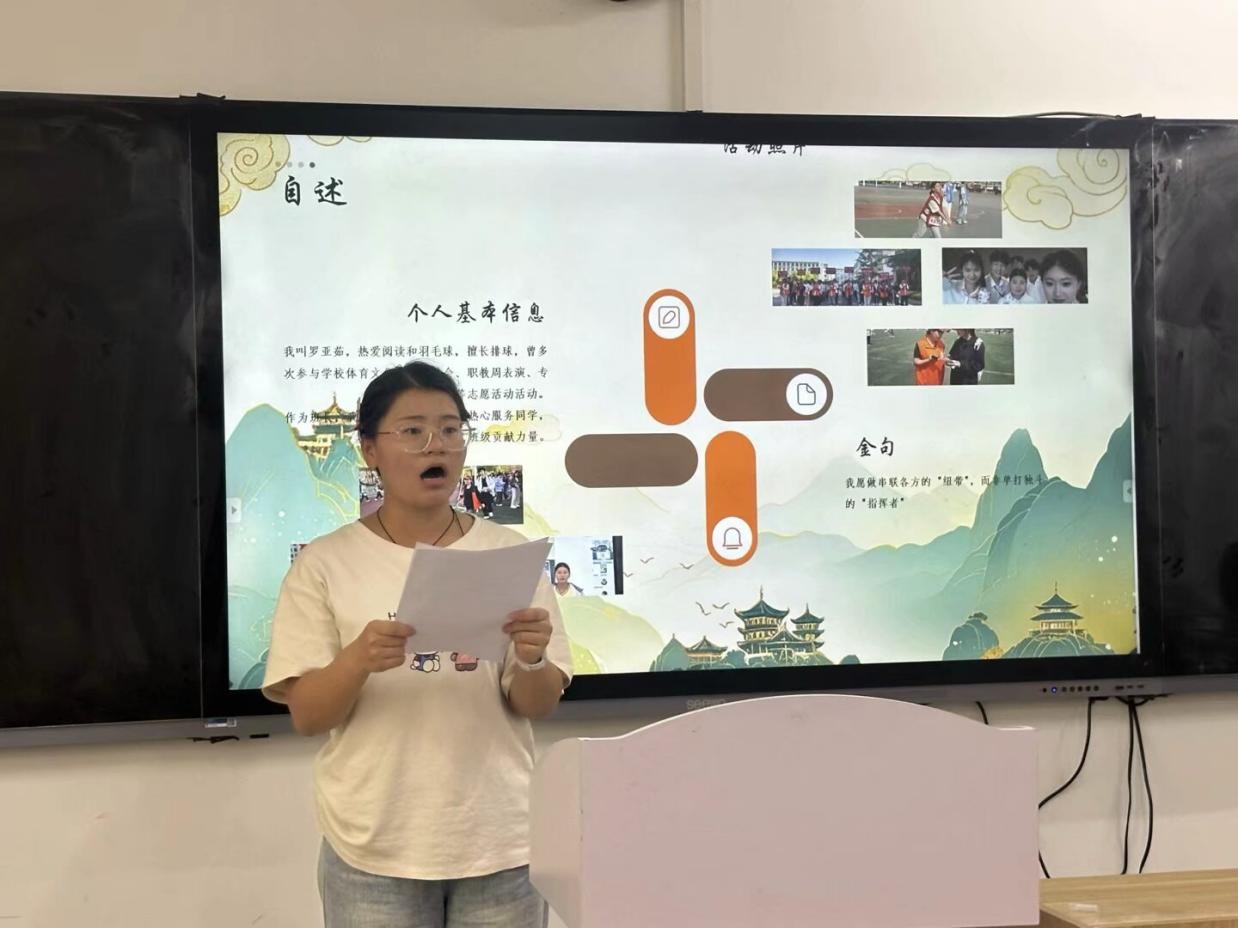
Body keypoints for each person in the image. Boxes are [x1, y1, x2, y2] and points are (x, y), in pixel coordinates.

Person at [262, 361, 573, 928]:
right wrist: (358, 660)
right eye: (413, 431)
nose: (438, 445)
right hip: (374, 851)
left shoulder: (508, 554)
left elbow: (538, 704)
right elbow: (307, 715)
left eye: (451, 429)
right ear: (370, 450)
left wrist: (531, 660)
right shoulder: (325, 564)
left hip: (501, 841)